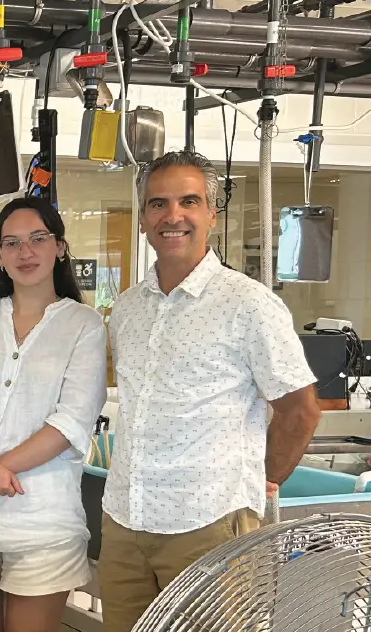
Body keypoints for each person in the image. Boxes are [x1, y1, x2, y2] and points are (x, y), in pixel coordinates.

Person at [99, 150, 322, 632]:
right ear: (143, 219)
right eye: (158, 204)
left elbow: (300, 410)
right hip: (125, 521)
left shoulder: (248, 304)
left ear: (211, 215)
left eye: (189, 201)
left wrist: (259, 483)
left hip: (210, 522)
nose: (172, 215)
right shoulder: (127, 309)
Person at [0, 196, 108, 632]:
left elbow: (71, 421)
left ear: (60, 247)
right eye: (11, 243)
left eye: (37, 239)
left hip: (42, 518)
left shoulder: (84, 324)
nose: (25, 252)